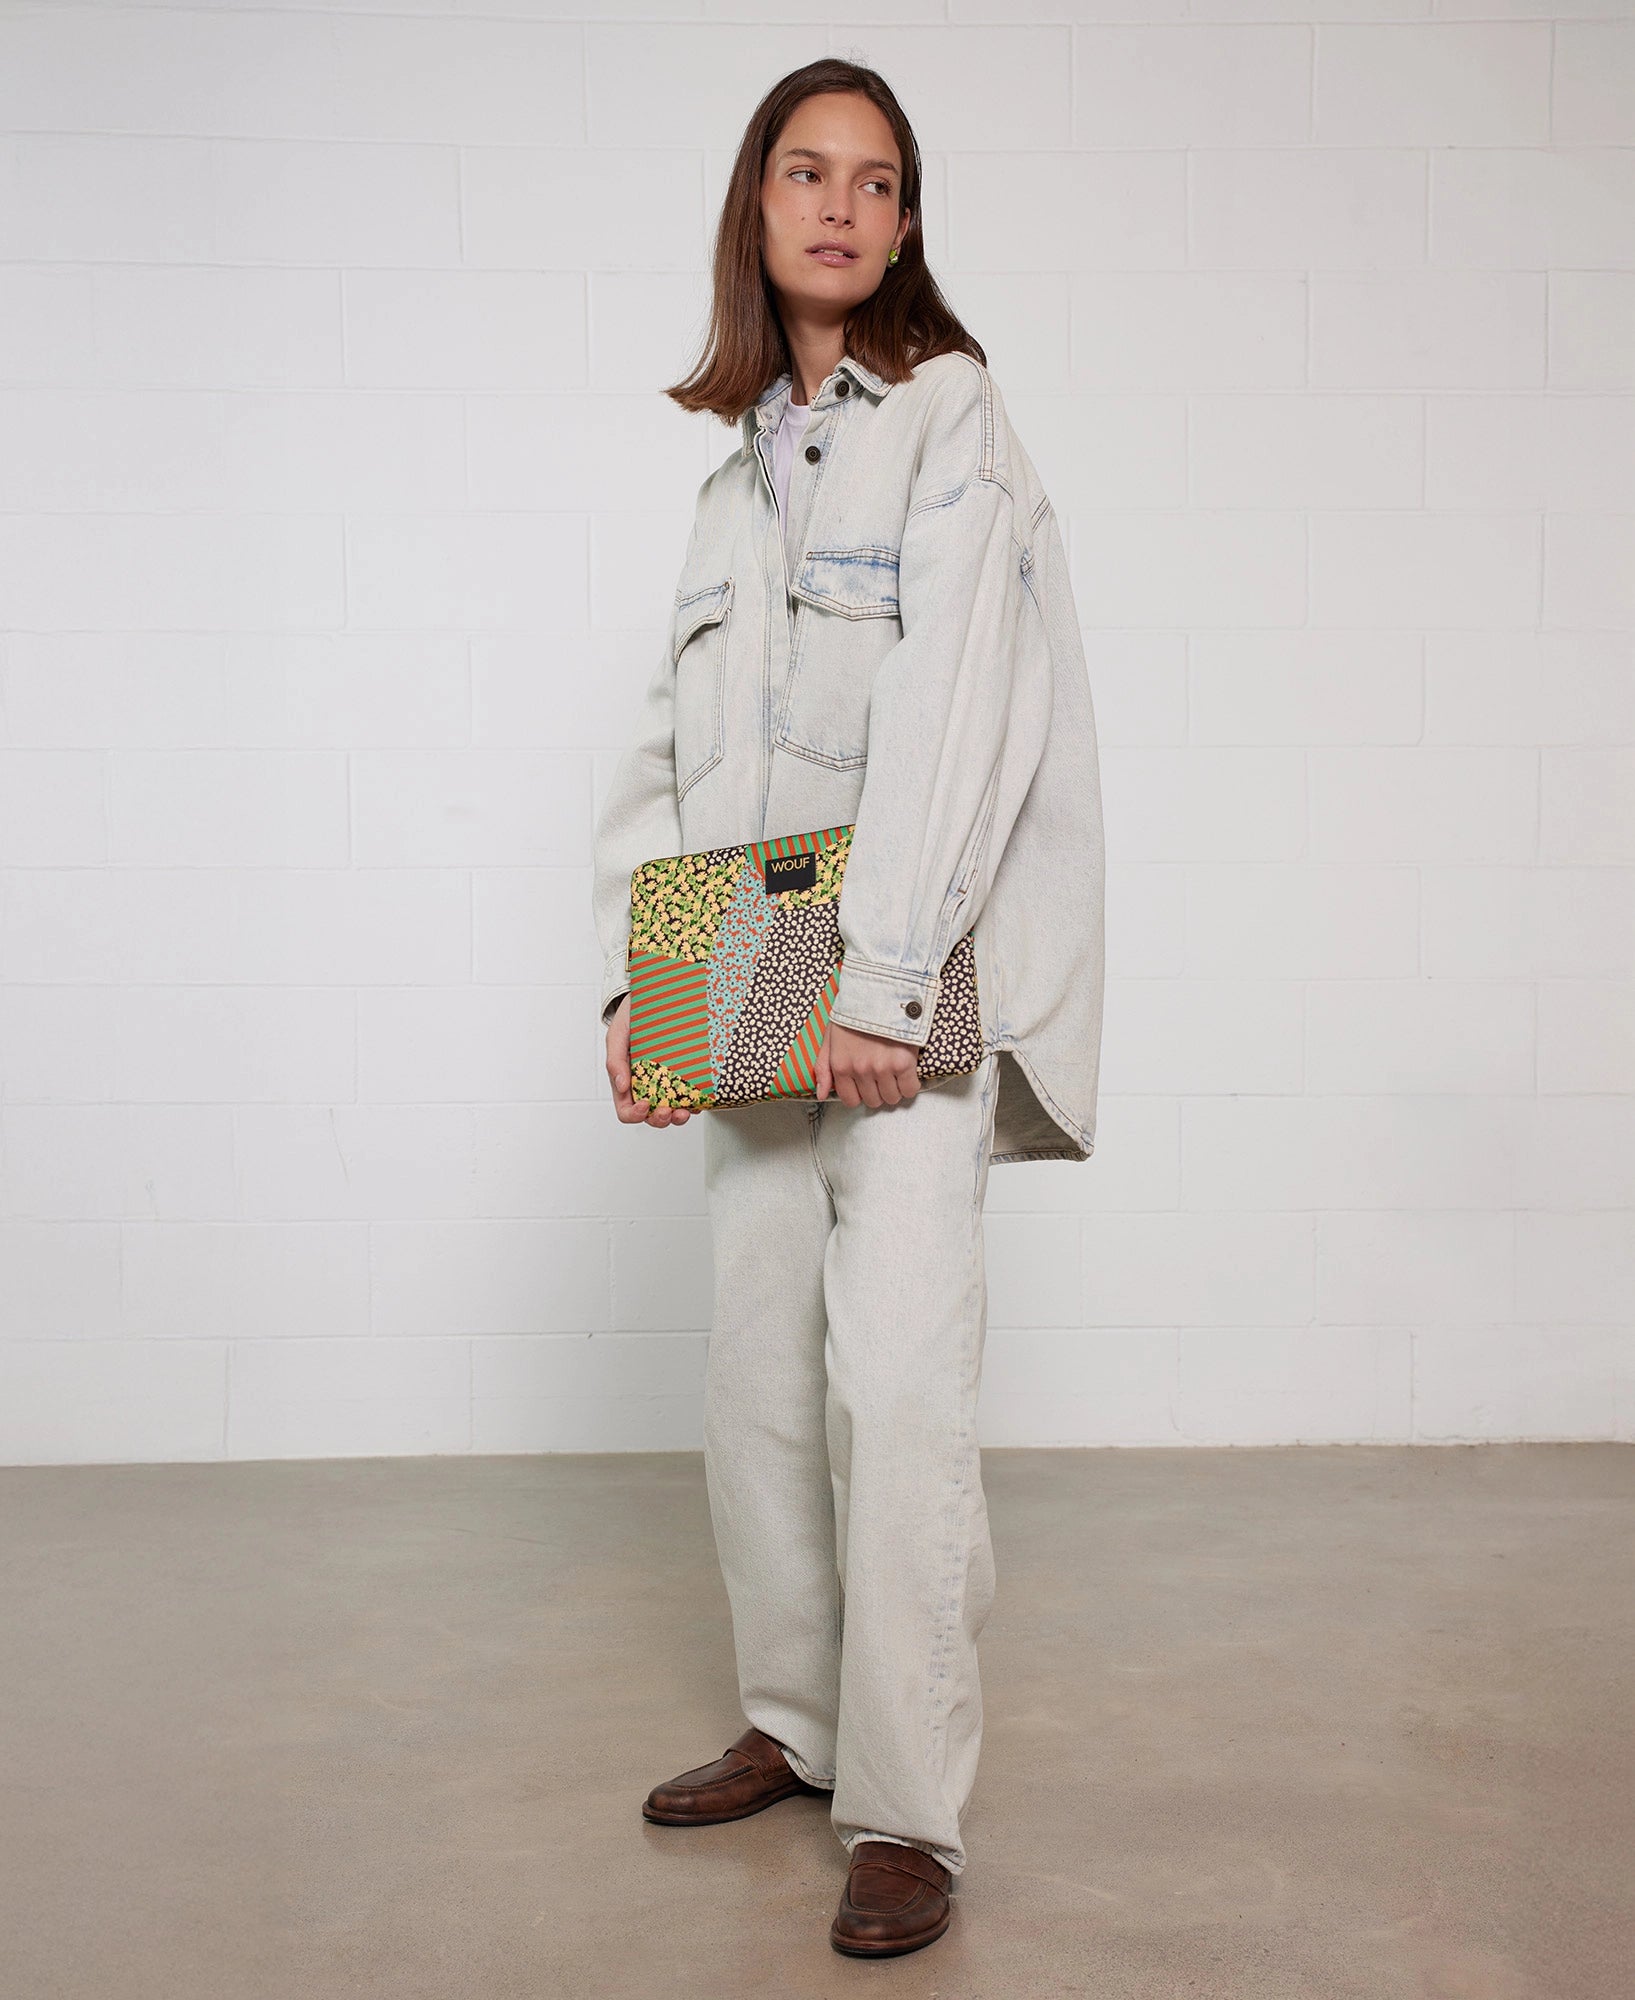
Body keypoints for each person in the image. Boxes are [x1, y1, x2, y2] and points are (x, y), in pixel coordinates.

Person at [590, 57, 1105, 1959]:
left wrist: (881, 983)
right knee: (755, 1379)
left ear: (904, 224)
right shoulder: (732, 474)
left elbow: (959, 718)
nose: (838, 205)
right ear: (757, 204)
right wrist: (645, 987)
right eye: (805, 173)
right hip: (742, 965)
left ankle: (905, 1813)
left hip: (894, 965)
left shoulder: (951, 417)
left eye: (874, 182)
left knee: (894, 1387)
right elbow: (669, 748)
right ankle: (796, 1725)